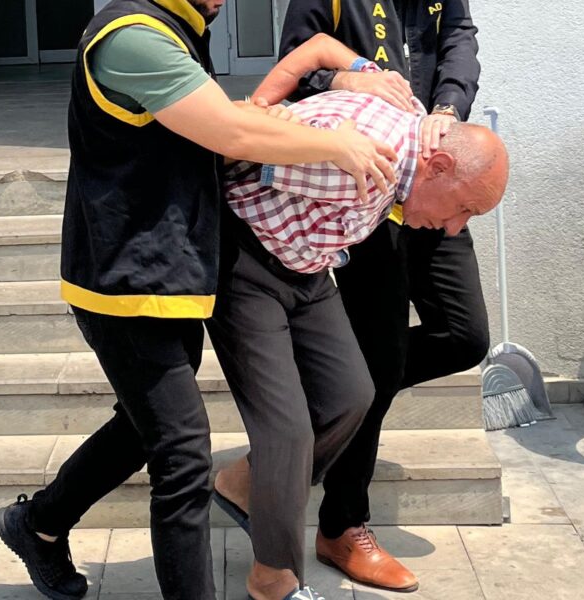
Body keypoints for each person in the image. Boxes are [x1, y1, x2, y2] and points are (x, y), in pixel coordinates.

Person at [0, 1, 397, 599]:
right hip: (122, 283)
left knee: (143, 428)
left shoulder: (182, 29)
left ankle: (38, 524)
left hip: (172, 272)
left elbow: (211, 132)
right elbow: (228, 131)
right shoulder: (133, 36)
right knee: (181, 456)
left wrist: (285, 113)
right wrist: (331, 144)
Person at [208, 48, 508, 600]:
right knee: (288, 432)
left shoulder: (413, 126)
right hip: (246, 264)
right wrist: (263, 109)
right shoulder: (355, 164)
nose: (453, 228)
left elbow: (342, 58)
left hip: (307, 267)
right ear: (440, 166)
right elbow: (233, 151)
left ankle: (246, 481)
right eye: (463, 208)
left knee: (352, 395)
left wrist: (358, 71)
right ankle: (273, 578)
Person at [279, 0, 488, 591]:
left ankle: (334, 400)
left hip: (437, 180)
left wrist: (448, 107)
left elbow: (459, 36)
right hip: (368, 189)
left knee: (464, 336)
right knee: (380, 356)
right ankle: (342, 524)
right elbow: (295, 69)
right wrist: (342, 78)